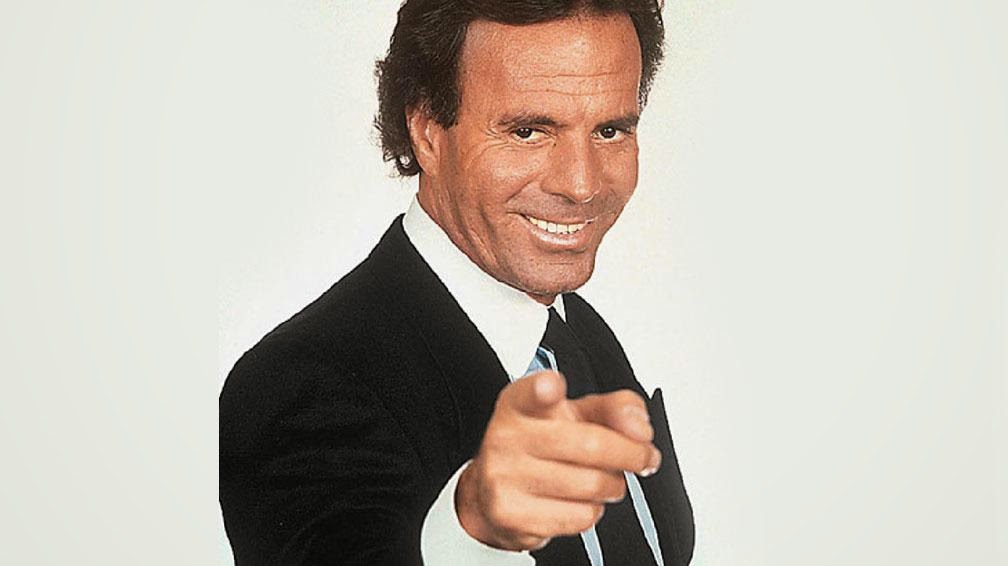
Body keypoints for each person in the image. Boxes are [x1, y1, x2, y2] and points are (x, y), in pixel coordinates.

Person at [219, 1, 694, 564]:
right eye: (528, 132)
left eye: (610, 130)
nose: (582, 185)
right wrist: (472, 530)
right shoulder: (300, 385)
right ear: (426, 133)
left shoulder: (577, 333)